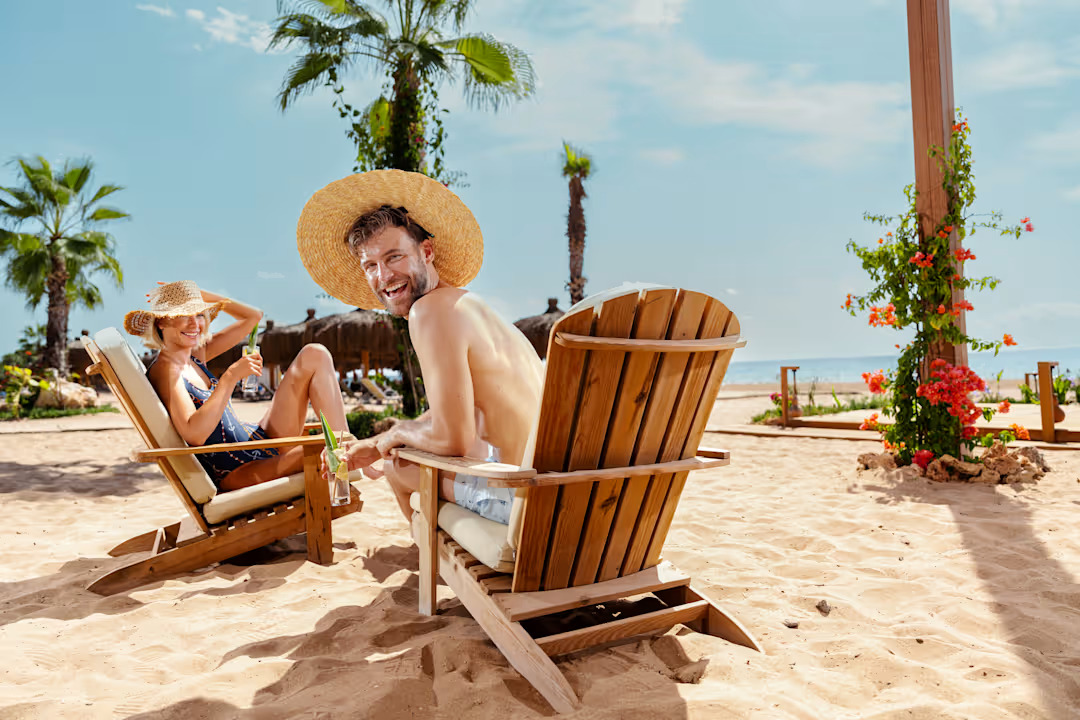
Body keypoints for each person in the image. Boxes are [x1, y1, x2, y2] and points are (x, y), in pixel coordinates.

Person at [297, 170, 544, 523]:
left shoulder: (428, 312)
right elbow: (458, 411)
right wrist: (373, 444)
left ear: (426, 251)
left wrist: (389, 438)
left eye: (394, 257)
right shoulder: (470, 306)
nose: (383, 277)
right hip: (554, 486)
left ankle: (433, 570)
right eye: (371, 265)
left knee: (398, 468)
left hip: (521, 502)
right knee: (407, 453)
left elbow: (453, 438)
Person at [124, 280, 348, 491]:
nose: (195, 324)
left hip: (257, 440)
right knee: (326, 448)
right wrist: (230, 377)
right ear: (162, 321)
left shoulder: (194, 356)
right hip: (237, 470)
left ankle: (348, 445)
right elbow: (194, 434)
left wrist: (201, 294)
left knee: (314, 354)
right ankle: (348, 450)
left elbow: (253, 317)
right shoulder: (166, 370)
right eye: (184, 315)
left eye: (200, 314)